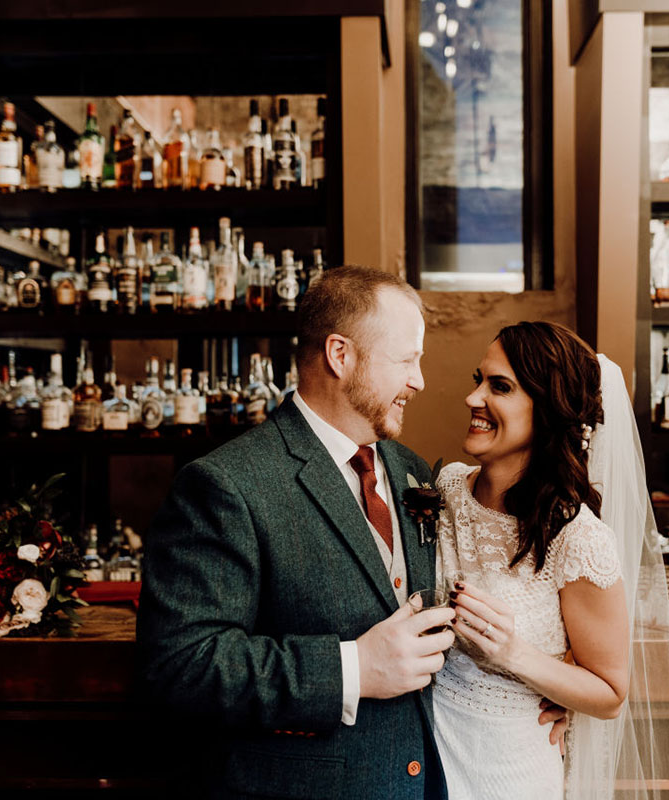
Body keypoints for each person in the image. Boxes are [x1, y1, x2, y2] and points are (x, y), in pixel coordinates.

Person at [138, 267, 563, 798]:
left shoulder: (414, 472)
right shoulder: (227, 485)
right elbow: (181, 668)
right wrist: (352, 668)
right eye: (407, 359)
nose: (420, 381)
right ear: (341, 355)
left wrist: (549, 684)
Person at [432, 321, 669, 799]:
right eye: (479, 379)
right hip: (427, 753)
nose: (473, 398)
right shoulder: (446, 488)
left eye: (500, 387)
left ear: (547, 411)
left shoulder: (579, 539)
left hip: (509, 771)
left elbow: (611, 693)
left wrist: (515, 655)